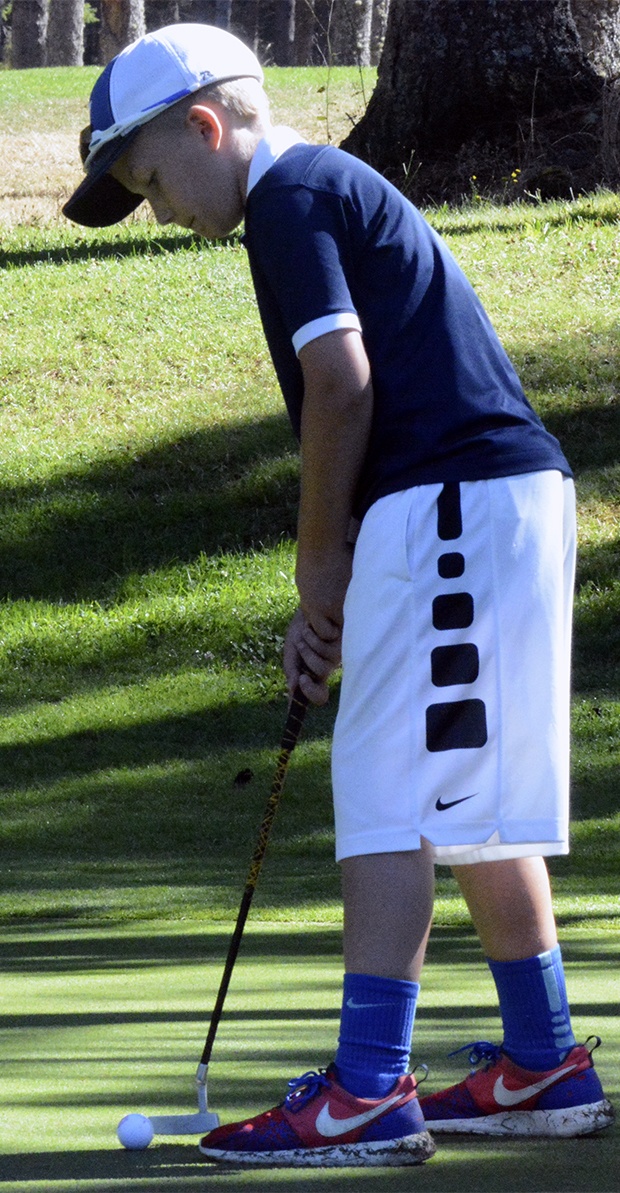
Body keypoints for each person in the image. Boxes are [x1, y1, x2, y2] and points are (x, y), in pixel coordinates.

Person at [63, 24, 613, 1169]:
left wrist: (321, 574)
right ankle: (541, 1056)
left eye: (154, 179)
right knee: (458, 790)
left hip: (452, 498)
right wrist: (340, 574)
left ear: (206, 128)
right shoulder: (320, 189)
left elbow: (339, 383)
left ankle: (367, 1086)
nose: (159, 210)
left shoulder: (290, 199)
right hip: (490, 498)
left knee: (384, 789)